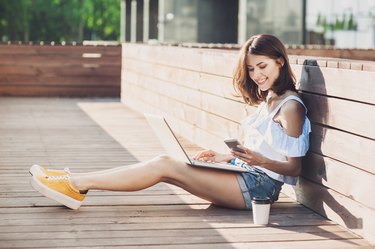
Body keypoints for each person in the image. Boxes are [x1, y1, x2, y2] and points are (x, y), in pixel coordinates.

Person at [29, 34, 311, 210]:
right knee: (165, 163)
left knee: (165, 164)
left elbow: (293, 167)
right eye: (250, 69)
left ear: (280, 62)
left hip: (259, 188)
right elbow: (265, 149)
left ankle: (75, 183)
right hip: (245, 175)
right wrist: (226, 156)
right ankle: (74, 182)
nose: (256, 75)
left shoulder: (290, 107)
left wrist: (258, 160)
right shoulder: (269, 100)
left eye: (262, 67)